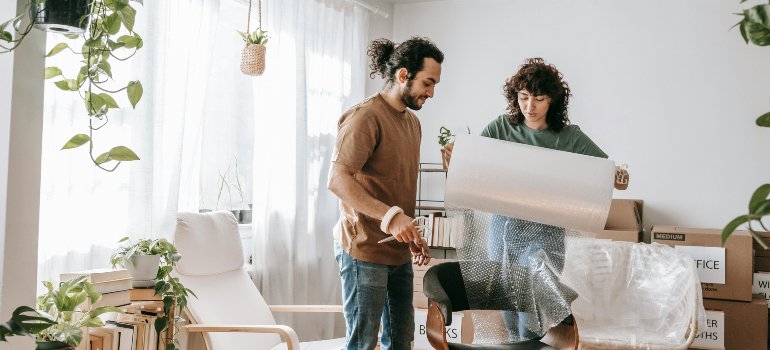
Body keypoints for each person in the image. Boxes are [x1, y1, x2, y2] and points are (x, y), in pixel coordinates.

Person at [445, 57, 629, 341]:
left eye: (538, 99)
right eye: (523, 97)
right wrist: (454, 159)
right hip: (504, 229)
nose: (529, 107)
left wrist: (618, 174)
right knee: (507, 299)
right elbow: (472, 169)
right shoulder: (502, 128)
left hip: (547, 230)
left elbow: (605, 173)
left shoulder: (568, 137)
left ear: (552, 100)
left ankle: (529, 344)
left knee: (535, 302)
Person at [327, 36, 444, 350]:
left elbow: (395, 186)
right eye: (428, 83)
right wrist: (392, 218)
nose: (432, 93)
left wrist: (411, 234)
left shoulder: (413, 124)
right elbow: (338, 179)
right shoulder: (365, 117)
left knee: (401, 342)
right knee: (363, 344)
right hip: (363, 250)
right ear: (403, 75)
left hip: (397, 253)